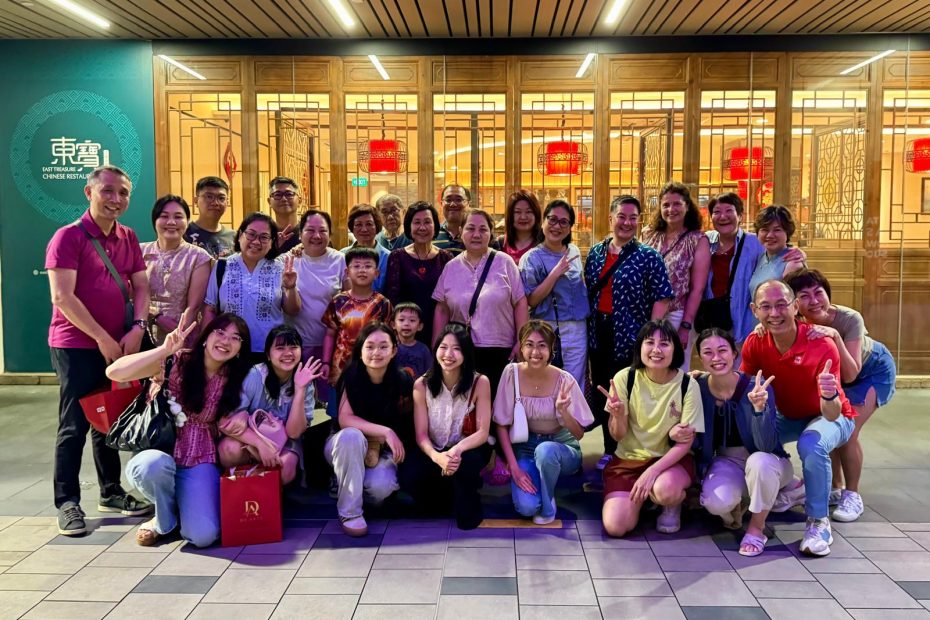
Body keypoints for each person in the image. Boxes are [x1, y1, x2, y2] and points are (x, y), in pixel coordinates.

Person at [46, 165, 152, 536]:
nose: (116, 199)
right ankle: (68, 502)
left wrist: (138, 327)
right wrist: (101, 338)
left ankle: (111, 491)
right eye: (108, 191)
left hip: (120, 343)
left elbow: (140, 286)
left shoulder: (128, 236)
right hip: (76, 345)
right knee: (74, 424)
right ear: (88, 192)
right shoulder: (68, 237)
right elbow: (63, 297)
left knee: (107, 418)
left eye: (123, 193)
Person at [110, 313, 253, 547]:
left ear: (240, 348)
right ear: (205, 337)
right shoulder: (174, 361)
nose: (226, 341)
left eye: (235, 338)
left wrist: (244, 415)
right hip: (162, 449)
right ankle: (163, 520)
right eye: (220, 332)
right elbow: (115, 372)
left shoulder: (236, 379)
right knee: (150, 466)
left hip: (200, 457)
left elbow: (246, 412)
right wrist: (163, 351)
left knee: (203, 536)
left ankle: (177, 510)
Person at [741, 279, 856, 557]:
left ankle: (818, 521)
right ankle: (792, 487)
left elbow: (832, 413)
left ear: (795, 307)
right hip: (789, 416)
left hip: (833, 415)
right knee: (750, 438)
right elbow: (744, 388)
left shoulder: (821, 343)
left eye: (782, 305)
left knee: (810, 444)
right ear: (755, 310)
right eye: (766, 307)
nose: (775, 313)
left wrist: (829, 396)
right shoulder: (755, 342)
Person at [784, 268, 896, 523]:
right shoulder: (795, 321)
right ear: (794, 303)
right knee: (828, 428)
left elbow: (851, 374)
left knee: (847, 431)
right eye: (804, 295)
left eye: (818, 292)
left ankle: (852, 494)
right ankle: (835, 486)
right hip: (829, 377)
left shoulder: (848, 319)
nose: (814, 301)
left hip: (869, 371)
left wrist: (834, 335)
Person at [585, 195, 673, 469]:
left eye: (633, 217)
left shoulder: (648, 256)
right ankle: (610, 449)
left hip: (633, 334)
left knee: (631, 391)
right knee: (605, 390)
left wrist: (651, 336)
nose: (626, 222)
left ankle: (634, 449)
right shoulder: (596, 252)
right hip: (599, 332)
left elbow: (662, 297)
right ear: (610, 218)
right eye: (621, 216)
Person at [690, 328, 793, 557]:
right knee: (716, 503)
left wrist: (759, 411)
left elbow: (766, 446)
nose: (716, 358)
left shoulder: (757, 387)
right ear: (700, 357)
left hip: (768, 460)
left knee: (759, 463)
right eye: (708, 352)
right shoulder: (698, 387)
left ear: (735, 353)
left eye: (722, 350)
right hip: (728, 461)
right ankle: (762, 497)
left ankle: (756, 529)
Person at [601, 320, 704, 537]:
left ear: (675, 349)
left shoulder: (687, 384)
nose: (656, 350)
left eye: (665, 344)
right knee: (616, 526)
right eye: (649, 342)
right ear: (640, 347)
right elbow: (617, 435)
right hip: (628, 460)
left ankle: (671, 503)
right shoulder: (625, 378)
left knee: (665, 490)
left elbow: (686, 441)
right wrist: (618, 416)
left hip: (670, 462)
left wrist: (652, 471)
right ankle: (644, 501)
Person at [493, 321, 593, 525]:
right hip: (526, 447)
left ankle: (548, 505)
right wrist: (514, 467)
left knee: (546, 451)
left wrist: (564, 412)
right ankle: (539, 485)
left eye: (542, 345)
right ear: (521, 347)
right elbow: (501, 424)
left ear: (551, 350)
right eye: (529, 344)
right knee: (526, 507)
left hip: (562, 447)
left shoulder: (564, 379)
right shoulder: (511, 374)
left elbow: (579, 433)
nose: (535, 351)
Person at [325, 322, 415, 536]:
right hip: (343, 445)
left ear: (394, 351)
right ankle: (350, 512)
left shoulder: (402, 380)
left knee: (380, 489)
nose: (376, 352)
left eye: (383, 346)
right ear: (361, 350)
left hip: (380, 452)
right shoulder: (351, 376)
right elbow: (345, 419)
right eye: (370, 346)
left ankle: (344, 484)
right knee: (352, 436)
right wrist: (385, 431)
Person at [402, 323, 492, 530]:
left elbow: (482, 432)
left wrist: (456, 451)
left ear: (466, 353)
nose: (448, 354)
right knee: (412, 478)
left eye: (457, 348)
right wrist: (437, 457)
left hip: (466, 448)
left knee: (466, 519)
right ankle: (444, 491)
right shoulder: (421, 384)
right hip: (433, 449)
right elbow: (421, 434)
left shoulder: (480, 382)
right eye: (443, 347)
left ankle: (466, 491)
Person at [433, 208, 529, 396]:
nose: (476, 234)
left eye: (483, 229)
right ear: (461, 232)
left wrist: (521, 340)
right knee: (464, 405)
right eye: (470, 228)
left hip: (501, 349)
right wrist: (437, 346)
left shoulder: (505, 262)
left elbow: (520, 302)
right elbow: (441, 307)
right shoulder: (451, 267)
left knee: (499, 406)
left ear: (491, 233)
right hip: (462, 350)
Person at [218, 325, 322, 485]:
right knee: (228, 450)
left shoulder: (305, 380)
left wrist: (300, 389)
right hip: (252, 436)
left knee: (285, 469)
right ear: (268, 354)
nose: (288, 353)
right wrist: (261, 445)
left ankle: (267, 497)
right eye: (280, 348)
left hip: (284, 440)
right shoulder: (256, 375)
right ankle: (241, 491)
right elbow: (225, 423)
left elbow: (294, 433)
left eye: (294, 347)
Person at [203, 212, 301, 366]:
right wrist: (206, 345)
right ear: (240, 235)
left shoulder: (281, 268)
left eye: (264, 237)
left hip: (270, 354)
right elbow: (210, 308)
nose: (256, 241)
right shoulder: (222, 266)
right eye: (251, 234)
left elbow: (293, 310)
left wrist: (291, 287)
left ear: (271, 242)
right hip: (228, 351)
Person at [520, 199, 589, 389]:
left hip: (577, 328)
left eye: (564, 222)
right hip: (547, 327)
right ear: (543, 222)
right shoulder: (531, 258)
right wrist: (555, 274)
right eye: (552, 219)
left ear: (569, 228)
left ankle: (573, 419)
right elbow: (531, 300)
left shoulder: (573, 251)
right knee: (547, 379)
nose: (557, 226)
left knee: (575, 382)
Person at [641, 182, 710, 366]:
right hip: (645, 311)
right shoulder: (649, 234)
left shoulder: (697, 240)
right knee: (646, 364)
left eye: (677, 204)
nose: (671, 209)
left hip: (676, 314)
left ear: (687, 206)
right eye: (666, 205)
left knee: (675, 366)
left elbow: (697, 288)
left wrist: (685, 327)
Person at [321, 247, 393, 417]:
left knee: (368, 414)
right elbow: (330, 334)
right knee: (337, 415)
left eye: (368, 266)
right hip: (340, 369)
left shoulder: (383, 303)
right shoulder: (338, 301)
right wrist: (325, 362)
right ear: (347, 272)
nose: (362, 270)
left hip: (373, 368)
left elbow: (389, 338)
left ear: (376, 273)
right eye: (357, 266)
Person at [141, 195, 212, 347]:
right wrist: (156, 316)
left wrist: (180, 335)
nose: (171, 222)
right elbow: (132, 296)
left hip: (181, 337)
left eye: (178, 217)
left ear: (187, 222)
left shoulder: (199, 257)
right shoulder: (139, 251)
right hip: (140, 333)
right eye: (164, 216)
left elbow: (193, 307)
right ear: (155, 221)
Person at [289, 209, 347, 394]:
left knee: (327, 402)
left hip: (330, 347)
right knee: (298, 399)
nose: (316, 236)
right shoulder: (289, 260)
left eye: (322, 230)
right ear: (300, 234)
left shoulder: (339, 260)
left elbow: (348, 301)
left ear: (330, 234)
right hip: (296, 346)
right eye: (310, 230)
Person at [384, 201, 453, 345]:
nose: (422, 227)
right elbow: (392, 300)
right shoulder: (397, 257)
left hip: (438, 331)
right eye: (416, 222)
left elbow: (450, 300)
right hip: (405, 333)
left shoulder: (446, 258)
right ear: (409, 226)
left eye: (427, 222)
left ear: (435, 226)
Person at [747, 205, 806, 299]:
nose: (770, 235)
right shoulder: (760, 257)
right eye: (765, 230)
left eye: (777, 230)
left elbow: (792, 303)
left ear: (787, 232)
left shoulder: (793, 263)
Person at [341, 204, 390, 293]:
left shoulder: (389, 257)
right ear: (352, 227)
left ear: (377, 226)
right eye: (358, 224)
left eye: (369, 224)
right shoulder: (342, 256)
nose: (364, 229)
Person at [184, 176, 235, 258]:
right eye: (209, 197)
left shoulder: (233, 237)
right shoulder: (184, 233)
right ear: (196, 201)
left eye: (221, 198)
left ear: (227, 202)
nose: (215, 203)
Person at [497, 190, 542, 264]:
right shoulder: (500, 244)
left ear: (536, 214)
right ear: (510, 215)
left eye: (528, 211)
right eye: (517, 212)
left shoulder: (546, 244)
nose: (523, 217)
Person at [393, 302, 433, 380]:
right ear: (393, 324)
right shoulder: (391, 347)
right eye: (401, 320)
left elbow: (430, 373)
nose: (406, 323)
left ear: (420, 326)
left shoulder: (423, 349)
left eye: (412, 320)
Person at [267, 176, 303, 254]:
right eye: (277, 195)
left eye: (289, 194)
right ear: (269, 202)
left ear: (299, 201)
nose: (283, 199)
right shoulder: (265, 235)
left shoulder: (310, 232)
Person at [434, 184, 469, 256]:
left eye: (459, 200)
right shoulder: (432, 233)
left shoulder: (476, 234)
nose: (453, 204)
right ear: (441, 204)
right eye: (448, 200)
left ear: (467, 204)